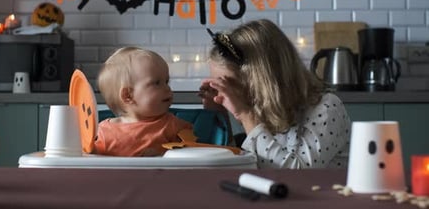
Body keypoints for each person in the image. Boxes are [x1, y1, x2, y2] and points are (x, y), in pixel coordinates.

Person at [199, 19, 351, 169]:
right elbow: (239, 165)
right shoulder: (258, 111)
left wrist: (245, 115)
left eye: (229, 85)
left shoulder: (327, 108)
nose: (226, 93)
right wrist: (219, 116)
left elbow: (297, 174)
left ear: (263, 80)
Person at [96, 46, 193, 157]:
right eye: (156, 83)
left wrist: (163, 154)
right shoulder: (104, 132)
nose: (167, 88)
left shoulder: (174, 126)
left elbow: (191, 155)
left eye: (166, 81)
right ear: (128, 95)